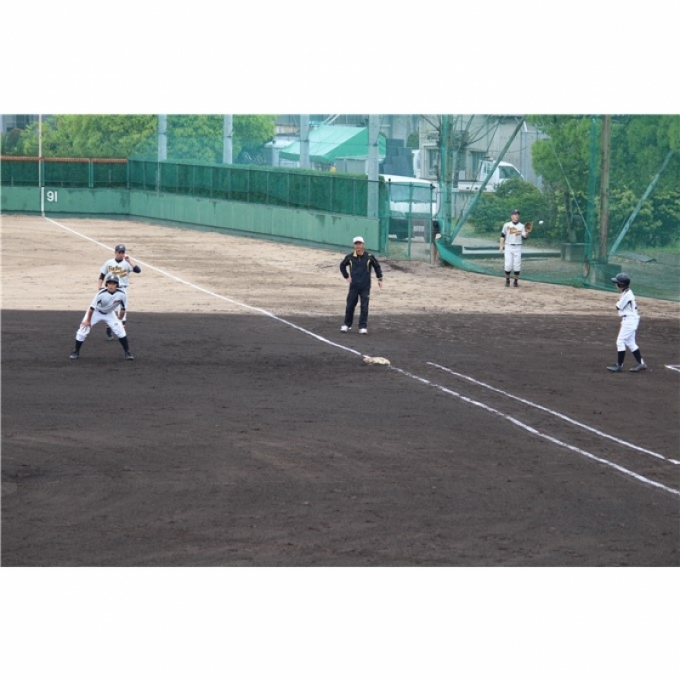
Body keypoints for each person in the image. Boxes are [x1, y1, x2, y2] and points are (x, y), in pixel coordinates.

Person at [69, 274, 134, 360]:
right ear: (106, 284)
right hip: (96, 312)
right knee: (83, 329)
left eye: (113, 283)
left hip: (109, 313)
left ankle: (127, 352)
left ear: (117, 285)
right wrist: (88, 321)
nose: (111, 285)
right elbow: (91, 308)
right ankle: (76, 351)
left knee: (120, 330)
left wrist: (120, 320)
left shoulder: (122, 295)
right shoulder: (100, 294)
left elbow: (123, 309)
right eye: (109, 283)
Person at [339, 236, 383, 334]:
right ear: (354, 245)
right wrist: (346, 276)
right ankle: (347, 324)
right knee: (350, 305)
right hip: (354, 286)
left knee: (364, 306)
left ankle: (363, 326)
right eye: (356, 244)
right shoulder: (350, 257)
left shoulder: (369, 257)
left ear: (363, 244)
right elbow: (342, 265)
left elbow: (377, 266)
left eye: (359, 243)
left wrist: (379, 278)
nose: (358, 246)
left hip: (365, 286)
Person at [98, 244, 141, 339]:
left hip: (122, 289)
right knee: (109, 309)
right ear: (115, 252)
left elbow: (138, 270)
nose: (121, 254)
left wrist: (130, 261)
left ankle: (121, 332)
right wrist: (99, 288)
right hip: (110, 289)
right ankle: (109, 330)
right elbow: (101, 276)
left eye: (122, 252)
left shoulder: (127, 263)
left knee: (123, 310)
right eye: (119, 252)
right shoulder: (109, 262)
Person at [606, 272, 646, 372]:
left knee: (620, 341)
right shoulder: (626, 292)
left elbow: (618, 307)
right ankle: (641, 364)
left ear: (621, 285)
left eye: (617, 283)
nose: (616, 284)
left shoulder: (627, 294)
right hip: (630, 320)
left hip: (629, 321)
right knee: (630, 342)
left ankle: (619, 365)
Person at [499, 209, 529, 287]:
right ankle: (507, 280)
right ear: (511, 216)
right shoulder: (506, 225)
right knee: (508, 264)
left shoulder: (522, 226)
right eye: (515, 214)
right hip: (508, 246)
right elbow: (502, 235)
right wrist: (501, 246)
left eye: (518, 214)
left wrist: (526, 234)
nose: (516, 216)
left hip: (517, 246)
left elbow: (524, 237)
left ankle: (515, 281)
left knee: (517, 264)